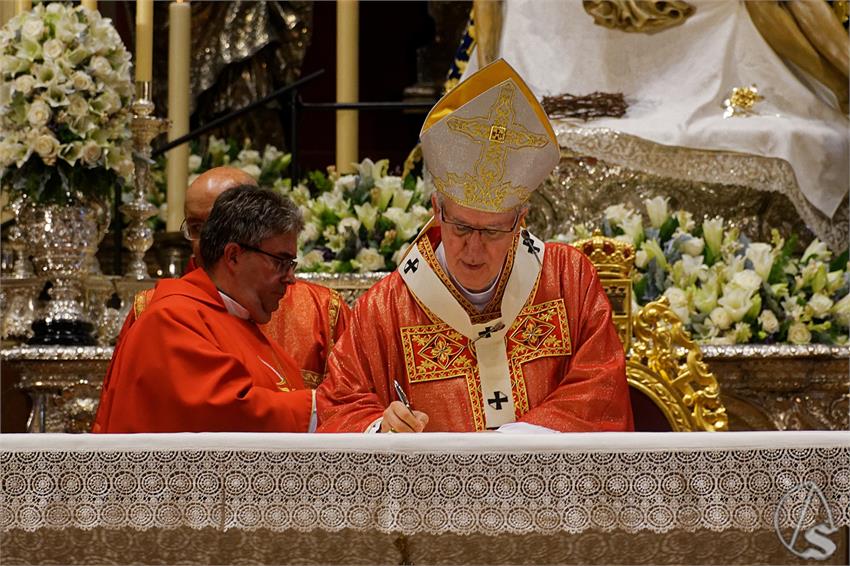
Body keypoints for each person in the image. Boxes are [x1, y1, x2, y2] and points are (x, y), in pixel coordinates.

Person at [317, 59, 633, 433]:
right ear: (437, 211)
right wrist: (381, 428)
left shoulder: (568, 278)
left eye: (494, 231)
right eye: (462, 227)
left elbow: (602, 386)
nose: (474, 250)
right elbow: (340, 404)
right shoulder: (386, 309)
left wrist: (520, 440)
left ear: (520, 221)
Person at [93, 187, 314, 432]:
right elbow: (223, 411)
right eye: (281, 262)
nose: (291, 278)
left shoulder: (242, 323)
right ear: (233, 256)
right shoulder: (172, 319)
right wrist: (317, 407)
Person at [114, 166, 350, 388]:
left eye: (224, 225)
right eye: (197, 227)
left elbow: (352, 405)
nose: (209, 239)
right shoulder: (156, 310)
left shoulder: (321, 311)